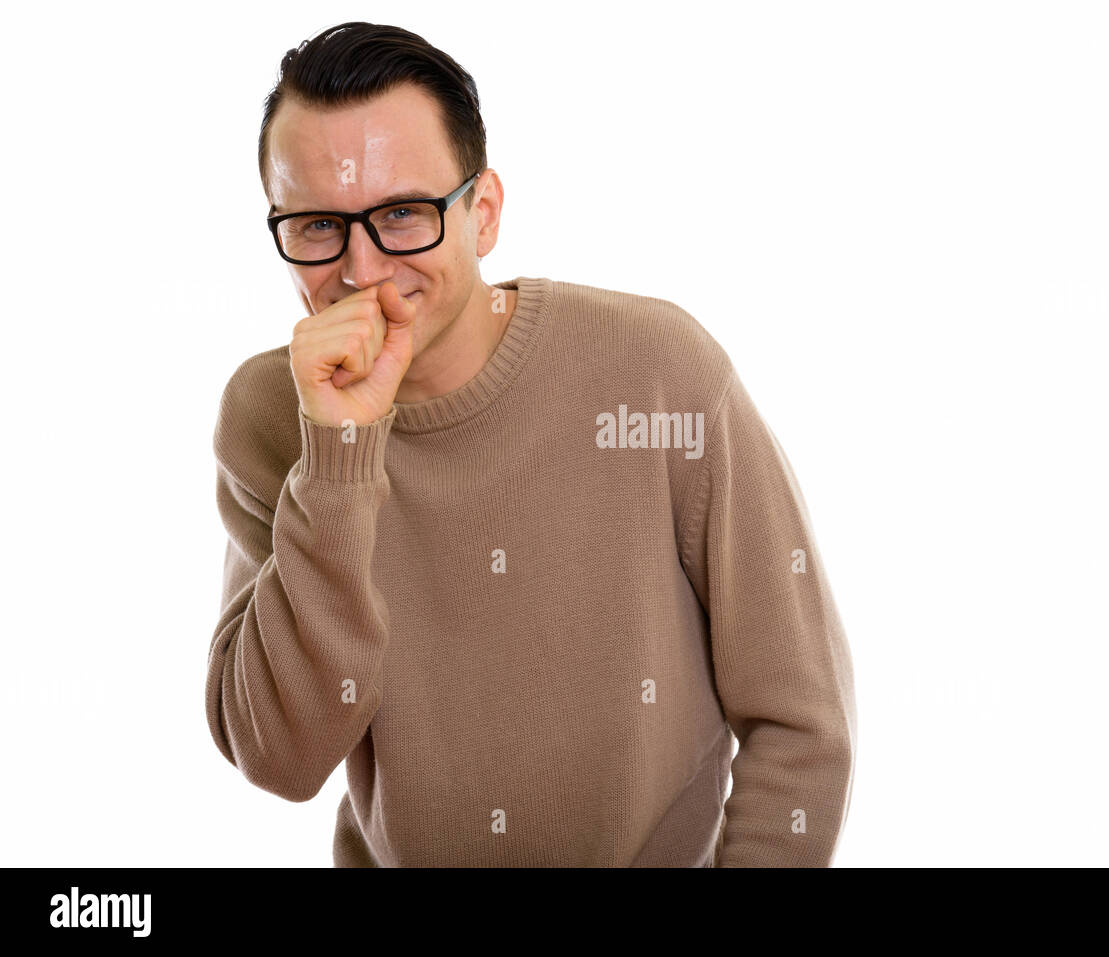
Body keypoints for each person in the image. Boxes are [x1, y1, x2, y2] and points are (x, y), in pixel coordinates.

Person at [207, 20, 856, 867]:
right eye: (319, 225)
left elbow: (801, 719)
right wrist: (338, 455)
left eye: (403, 214)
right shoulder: (271, 411)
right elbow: (279, 757)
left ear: (483, 215)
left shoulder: (658, 368)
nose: (361, 271)